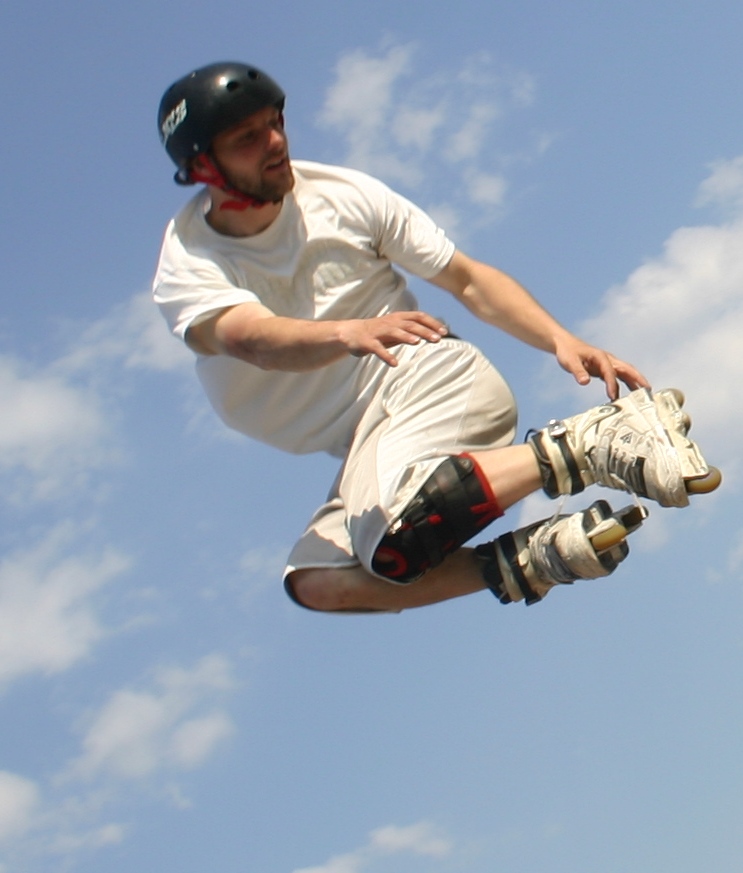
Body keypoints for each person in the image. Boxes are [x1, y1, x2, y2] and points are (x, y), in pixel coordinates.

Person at [153, 62, 719, 614]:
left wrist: (559, 339)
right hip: (366, 439)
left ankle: (585, 446)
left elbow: (466, 279)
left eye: (276, 122)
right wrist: (343, 331)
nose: (275, 142)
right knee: (320, 581)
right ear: (204, 166)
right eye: (248, 138)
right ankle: (530, 560)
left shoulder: (344, 197)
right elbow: (251, 339)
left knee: (394, 529)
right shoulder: (189, 260)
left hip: (426, 381)